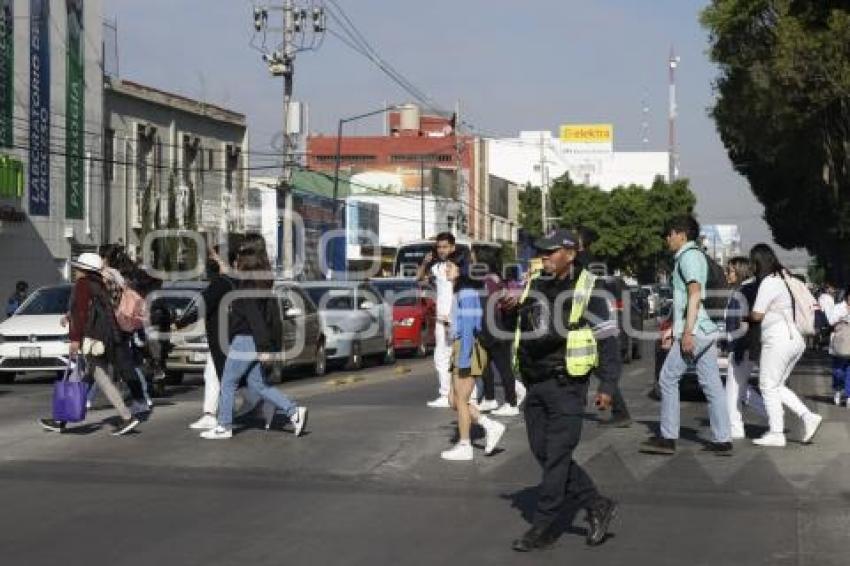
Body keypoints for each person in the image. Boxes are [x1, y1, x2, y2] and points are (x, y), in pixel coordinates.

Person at [504, 229, 620, 551]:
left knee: (556, 458)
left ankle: (542, 527)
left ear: (570, 253)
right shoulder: (534, 283)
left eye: (549, 252)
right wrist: (510, 307)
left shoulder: (591, 290)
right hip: (535, 383)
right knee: (543, 452)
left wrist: (607, 385)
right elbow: (523, 327)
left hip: (566, 385)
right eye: (540, 252)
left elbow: (608, 342)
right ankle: (597, 503)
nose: (542, 258)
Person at [640, 215, 733, 456]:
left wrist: (687, 332)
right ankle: (723, 439)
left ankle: (668, 437)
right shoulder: (695, 256)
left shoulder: (689, 257)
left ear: (681, 234)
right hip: (706, 328)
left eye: (670, 233)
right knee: (712, 383)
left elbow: (694, 294)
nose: (667, 238)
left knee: (667, 378)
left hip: (697, 329)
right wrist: (675, 329)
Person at [201, 237, 307, 440]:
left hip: (245, 339)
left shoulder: (248, 285)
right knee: (258, 385)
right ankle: (293, 411)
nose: (236, 260)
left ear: (246, 260)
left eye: (239, 256)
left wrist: (264, 347)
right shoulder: (258, 280)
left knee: (228, 382)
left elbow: (255, 318)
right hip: (251, 340)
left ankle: (224, 425)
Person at [39, 253, 141, 436]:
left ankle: (126, 417)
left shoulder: (83, 285)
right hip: (107, 337)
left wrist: (75, 339)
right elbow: (92, 310)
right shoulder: (99, 284)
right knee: (85, 376)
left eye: (77, 267)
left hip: (92, 339)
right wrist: (71, 317)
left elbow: (81, 313)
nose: (75, 271)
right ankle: (60, 419)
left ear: (83, 269)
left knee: (96, 376)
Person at [747, 243, 823, 447]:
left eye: (752, 262)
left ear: (758, 262)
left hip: (778, 339)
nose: (751, 267)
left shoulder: (769, 282)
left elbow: (757, 314)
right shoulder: (784, 277)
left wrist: (743, 320)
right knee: (776, 385)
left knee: (766, 384)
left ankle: (776, 432)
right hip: (795, 339)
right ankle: (808, 417)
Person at [440, 254, 506, 461]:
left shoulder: (467, 292)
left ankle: (465, 445)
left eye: (449, 267)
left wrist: (464, 359)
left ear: (461, 270)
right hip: (461, 346)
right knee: (453, 399)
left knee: (460, 399)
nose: (446, 271)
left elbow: (469, 328)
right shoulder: (461, 291)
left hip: (467, 348)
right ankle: (490, 425)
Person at [174, 245, 238, 429]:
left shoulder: (221, 283)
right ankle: (212, 413)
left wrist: (180, 323)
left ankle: (220, 418)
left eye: (214, 258)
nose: (211, 261)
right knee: (217, 374)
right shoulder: (233, 281)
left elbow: (204, 305)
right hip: (229, 336)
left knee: (227, 375)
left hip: (223, 337)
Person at [574, 224, 631, 428]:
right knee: (596, 367)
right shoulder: (597, 262)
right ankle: (619, 411)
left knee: (599, 366)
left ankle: (618, 411)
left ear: (580, 242)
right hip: (603, 319)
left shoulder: (581, 263)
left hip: (595, 322)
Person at [723, 256, 766, 439]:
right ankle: (771, 412)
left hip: (742, 346)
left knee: (732, 393)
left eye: (730, 270)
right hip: (742, 346)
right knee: (741, 389)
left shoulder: (743, 292)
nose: (727, 274)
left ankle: (736, 428)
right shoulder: (741, 291)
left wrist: (737, 347)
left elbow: (743, 324)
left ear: (740, 271)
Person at [417, 232, 457, 408]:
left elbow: (456, 290)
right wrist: (425, 263)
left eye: (445, 247)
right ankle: (446, 393)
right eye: (439, 247)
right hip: (441, 317)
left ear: (452, 247)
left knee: (456, 355)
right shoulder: (436, 267)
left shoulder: (455, 266)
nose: (441, 250)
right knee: (441, 356)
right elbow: (419, 279)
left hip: (452, 316)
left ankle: (464, 394)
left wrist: (452, 316)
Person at [828, 286, 850, 406]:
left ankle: (849, 395)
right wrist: (842, 318)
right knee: (838, 371)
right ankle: (838, 390)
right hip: (840, 343)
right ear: (847, 296)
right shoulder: (838, 307)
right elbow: (830, 321)